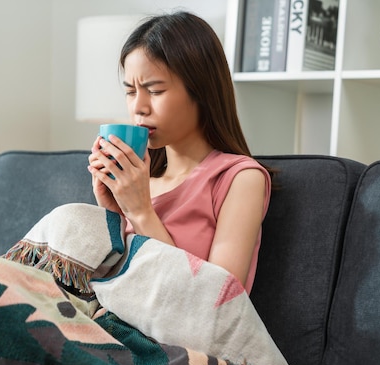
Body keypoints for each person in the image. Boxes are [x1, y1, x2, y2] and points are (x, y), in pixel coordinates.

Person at [87, 11, 272, 294]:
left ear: (201, 91)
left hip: (173, 339)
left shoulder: (239, 179)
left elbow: (216, 303)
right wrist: (113, 212)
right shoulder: (139, 181)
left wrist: (140, 212)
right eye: (130, 91)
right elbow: (109, 284)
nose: (139, 107)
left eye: (155, 90)